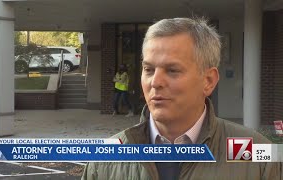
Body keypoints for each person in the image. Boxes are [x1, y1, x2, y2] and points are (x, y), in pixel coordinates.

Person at [82, 18, 282, 180]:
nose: (155, 82)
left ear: (208, 81)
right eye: (148, 69)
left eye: (172, 70)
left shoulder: (258, 154)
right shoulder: (104, 158)